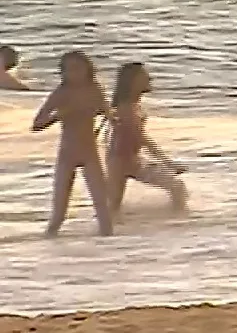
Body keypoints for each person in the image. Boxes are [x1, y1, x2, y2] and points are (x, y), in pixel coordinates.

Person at [30, 50, 114, 236]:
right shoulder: (61, 93)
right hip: (67, 154)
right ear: (63, 73)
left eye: (78, 68)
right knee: (59, 211)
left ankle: (110, 252)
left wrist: (111, 116)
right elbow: (36, 125)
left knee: (103, 209)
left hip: (90, 152)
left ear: (88, 69)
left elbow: (108, 113)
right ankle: (47, 245)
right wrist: (59, 115)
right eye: (69, 70)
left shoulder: (95, 90)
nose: (74, 73)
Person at [106, 62, 189, 217]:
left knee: (177, 187)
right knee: (111, 208)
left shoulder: (132, 105)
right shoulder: (126, 108)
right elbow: (142, 138)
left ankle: (172, 220)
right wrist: (168, 163)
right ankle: (177, 221)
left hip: (130, 159)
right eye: (144, 76)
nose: (150, 78)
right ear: (133, 82)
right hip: (120, 162)